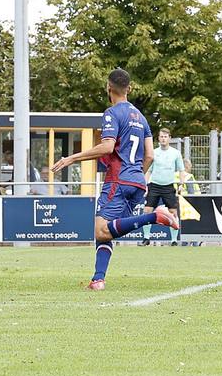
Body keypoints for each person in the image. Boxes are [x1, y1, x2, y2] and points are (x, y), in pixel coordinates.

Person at [51, 68, 178, 290]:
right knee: (107, 231)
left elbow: (107, 146)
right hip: (136, 182)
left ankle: (155, 216)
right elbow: (149, 155)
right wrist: (136, 174)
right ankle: (98, 279)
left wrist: (72, 158)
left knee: (101, 230)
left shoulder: (112, 113)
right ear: (129, 89)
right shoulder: (142, 118)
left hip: (118, 180)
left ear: (108, 87)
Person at [140, 128, 185, 246]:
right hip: (154, 186)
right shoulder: (154, 153)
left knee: (173, 212)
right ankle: (146, 238)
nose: (163, 139)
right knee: (147, 211)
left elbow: (181, 169)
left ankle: (174, 240)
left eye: (165, 137)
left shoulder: (175, 153)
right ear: (159, 139)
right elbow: (149, 171)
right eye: (161, 137)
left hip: (168, 187)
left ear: (169, 138)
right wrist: (145, 185)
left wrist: (181, 184)